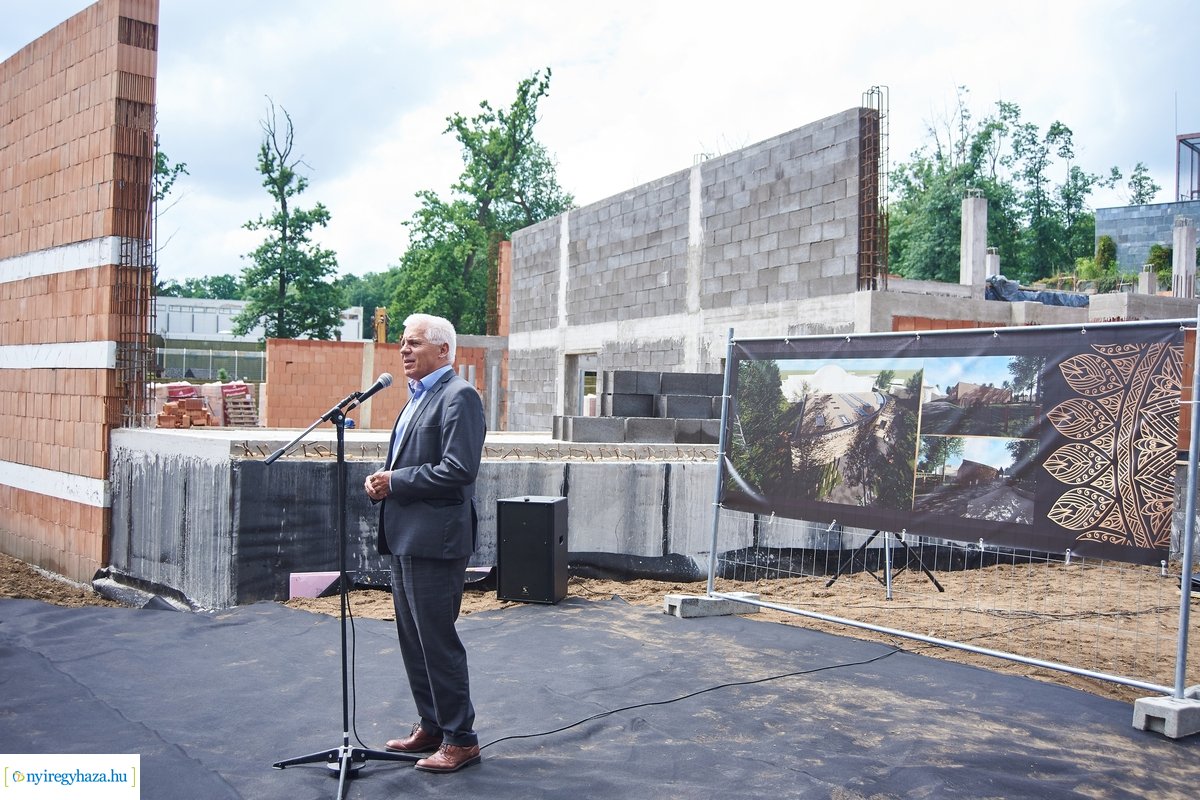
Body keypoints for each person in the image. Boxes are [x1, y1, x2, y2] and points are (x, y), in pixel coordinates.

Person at [363, 313, 486, 774]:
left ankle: (461, 739)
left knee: (437, 641)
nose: (404, 350)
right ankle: (432, 726)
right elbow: (412, 461)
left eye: (414, 343)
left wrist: (396, 481)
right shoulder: (416, 398)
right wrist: (382, 480)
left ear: (443, 351)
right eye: (402, 342)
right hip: (404, 537)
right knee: (413, 640)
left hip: (436, 540)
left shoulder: (460, 397)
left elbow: (458, 471)